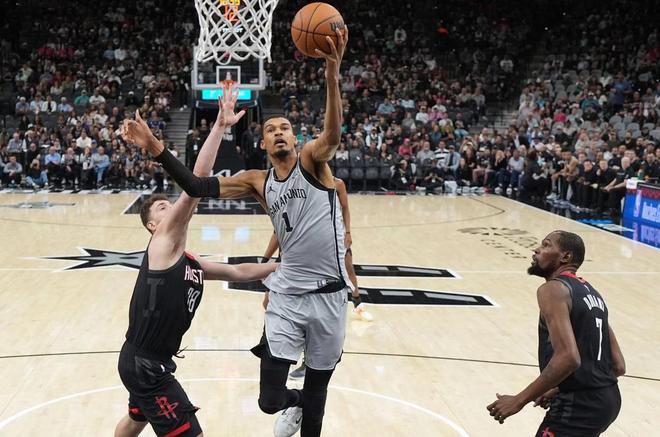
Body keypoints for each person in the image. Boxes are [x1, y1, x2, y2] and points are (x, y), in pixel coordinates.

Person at [124, 28, 349, 437]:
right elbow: (195, 186)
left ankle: (307, 409)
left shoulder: (313, 161)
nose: (279, 132)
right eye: (271, 129)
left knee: (318, 392)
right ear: (262, 143)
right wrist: (157, 147)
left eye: (285, 127)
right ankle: (295, 404)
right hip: (289, 293)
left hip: (330, 293)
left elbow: (332, 135)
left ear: (296, 138)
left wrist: (332, 77)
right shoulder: (256, 181)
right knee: (269, 400)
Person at [116, 84, 277, 437]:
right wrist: (218, 127)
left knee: (133, 423)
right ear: (152, 225)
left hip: (143, 360)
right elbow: (195, 183)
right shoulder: (161, 242)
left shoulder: (186, 260)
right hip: (147, 365)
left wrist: (281, 267)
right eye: (163, 207)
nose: (171, 208)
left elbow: (238, 271)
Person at [487, 231, 625, 436]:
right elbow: (618, 365)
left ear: (565, 257)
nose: (537, 250)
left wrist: (518, 400)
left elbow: (568, 358)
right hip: (608, 399)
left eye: (546, 245)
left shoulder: (553, 290)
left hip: (580, 404)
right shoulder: (593, 294)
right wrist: (557, 387)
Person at [261, 178, 374, 380]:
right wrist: (265, 259)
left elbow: (345, 208)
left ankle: (357, 303)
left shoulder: (337, 184)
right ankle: (287, 348)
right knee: (268, 302)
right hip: (296, 253)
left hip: (329, 245)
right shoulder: (294, 190)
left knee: (348, 271)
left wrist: (348, 232)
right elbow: (278, 231)